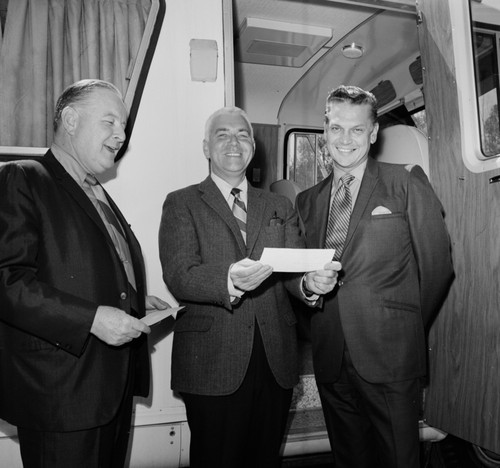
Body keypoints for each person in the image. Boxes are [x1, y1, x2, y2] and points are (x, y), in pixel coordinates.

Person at [0, 79, 169, 468]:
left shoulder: (96, 192)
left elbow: (72, 272)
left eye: (124, 126)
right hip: (62, 397)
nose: (121, 135)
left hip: (110, 392)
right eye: (109, 122)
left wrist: (134, 300)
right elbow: (7, 281)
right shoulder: (23, 178)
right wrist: (92, 319)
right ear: (71, 120)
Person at [158, 106, 339, 468]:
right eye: (222, 134)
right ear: (206, 147)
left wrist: (309, 284)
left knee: (264, 459)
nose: (234, 142)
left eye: (242, 134)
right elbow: (179, 273)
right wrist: (229, 280)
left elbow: (293, 271)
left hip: (274, 357)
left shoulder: (278, 205)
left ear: (253, 147)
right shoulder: (182, 202)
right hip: (212, 359)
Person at [295, 85, 454, 468]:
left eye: (356, 129)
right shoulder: (308, 201)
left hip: (391, 356)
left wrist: (403, 326)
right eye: (336, 128)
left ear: (373, 132)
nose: (344, 139)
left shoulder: (406, 181)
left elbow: (436, 267)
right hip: (331, 357)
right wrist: (306, 288)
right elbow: (296, 272)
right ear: (324, 131)